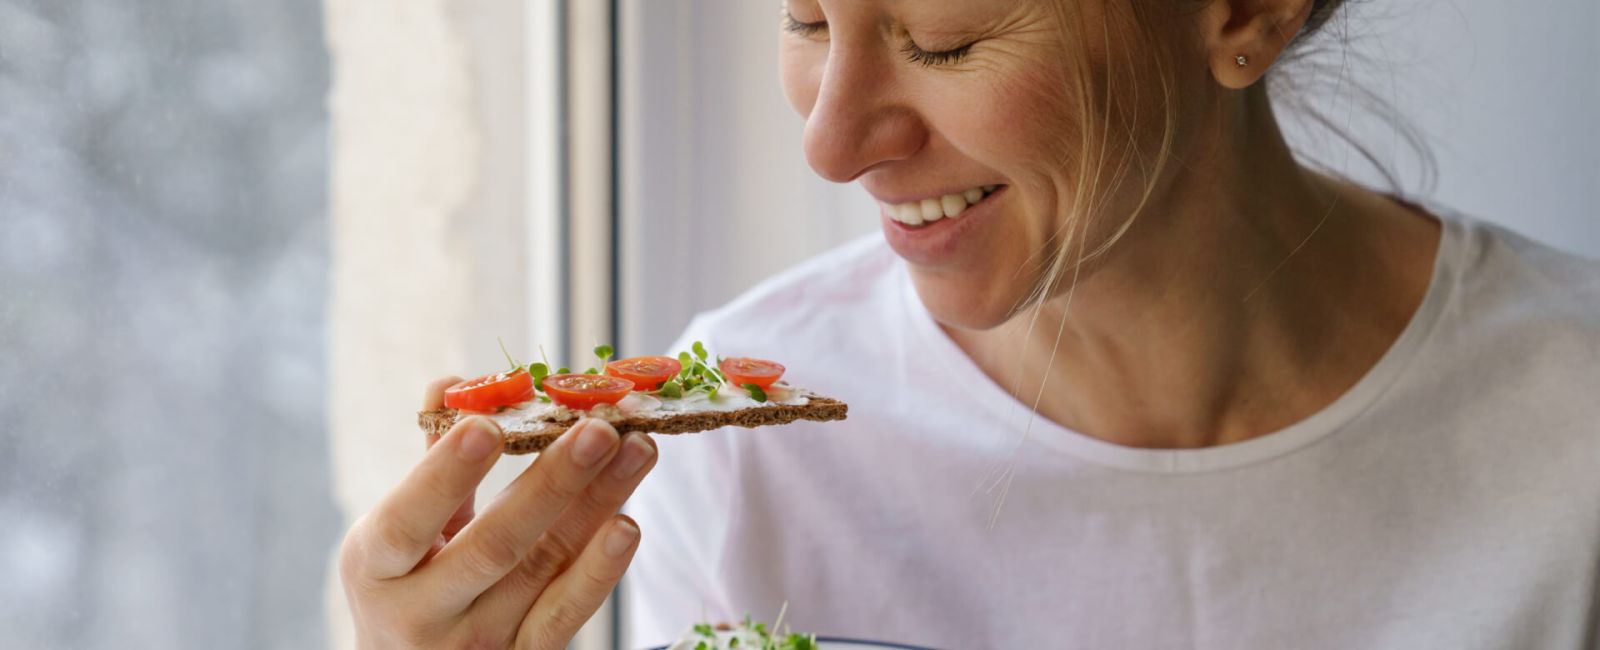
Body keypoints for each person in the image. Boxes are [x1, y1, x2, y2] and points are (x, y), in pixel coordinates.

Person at [340, 0, 1600, 647]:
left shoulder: (1573, 426)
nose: (831, 143)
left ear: (1243, 10)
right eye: (807, 21)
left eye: (943, 41)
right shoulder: (748, 467)